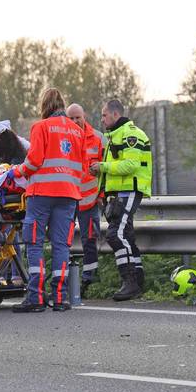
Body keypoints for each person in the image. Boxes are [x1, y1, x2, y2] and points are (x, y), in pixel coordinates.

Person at [9, 88, 85, 312]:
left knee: (35, 243)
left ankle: (36, 297)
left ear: (44, 105)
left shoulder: (40, 127)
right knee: (61, 245)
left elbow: (33, 161)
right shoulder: (77, 131)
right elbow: (82, 166)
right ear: (63, 105)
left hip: (42, 193)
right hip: (68, 194)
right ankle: (60, 298)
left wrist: (16, 172)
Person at [93, 99, 152, 301]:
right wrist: (102, 192)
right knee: (125, 234)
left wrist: (102, 167)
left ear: (115, 114)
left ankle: (130, 282)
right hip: (119, 193)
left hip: (129, 190)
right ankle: (137, 280)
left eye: (104, 115)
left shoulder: (130, 134)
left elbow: (130, 165)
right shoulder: (115, 135)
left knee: (115, 235)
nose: (102, 119)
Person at [66, 103, 105, 294]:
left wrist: (102, 194)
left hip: (90, 199)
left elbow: (106, 168)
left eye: (77, 117)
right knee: (63, 240)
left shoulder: (98, 138)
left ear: (84, 116)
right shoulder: (63, 138)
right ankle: (64, 281)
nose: (75, 121)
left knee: (89, 239)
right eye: (71, 118)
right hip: (66, 198)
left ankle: (89, 280)